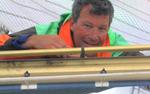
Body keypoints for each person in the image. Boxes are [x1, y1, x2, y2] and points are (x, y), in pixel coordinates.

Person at [0, 0, 141, 57]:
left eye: (102, 28)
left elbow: (144, 65)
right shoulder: (46, 32)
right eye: (87, 26)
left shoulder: (115, 43)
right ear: (72, 23)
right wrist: (29, 41)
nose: (94, 35)